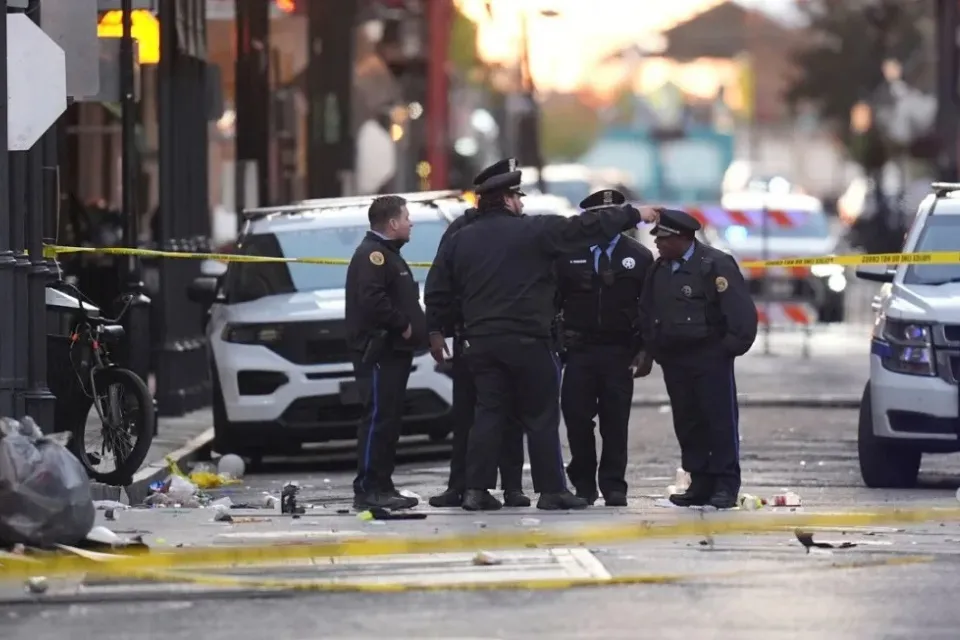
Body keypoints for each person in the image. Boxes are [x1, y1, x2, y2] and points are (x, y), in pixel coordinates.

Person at [426, 158, 658, 511]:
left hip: (481, 343)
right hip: (529, 341)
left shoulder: (461, 239)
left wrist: (436, 330)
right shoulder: (535, 230)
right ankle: (551, 490)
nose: (521, 203)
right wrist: (634, 214)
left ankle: (476, 490)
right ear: (507, 199)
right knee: (540, 416)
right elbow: (585, 226)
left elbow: (438, 288)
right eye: (518, 197)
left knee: (488, 414)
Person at [638, 208, 758, 509]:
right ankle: (700, 481)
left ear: (683, 237)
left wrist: (726, 350)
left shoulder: (714, 264)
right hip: (675, 359)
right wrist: (653, 349)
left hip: (709, 357)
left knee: (718, 421)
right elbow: (648, 310)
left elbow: (740, 312)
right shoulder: (659, 269)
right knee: (688, 422)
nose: (657, 243)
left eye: (663, 238)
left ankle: (725, 484)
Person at [425, 176, 528, 510]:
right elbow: (439, 283)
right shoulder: (461, 230)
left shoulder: (522, 229)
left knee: (510, 415)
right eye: (515, 196)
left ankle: (512, 487)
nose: (520, 203)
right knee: (467, 415)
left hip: (506, 334)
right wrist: (436, 330)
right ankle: (461, 486)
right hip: (469, 336)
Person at [555, 189, 654, 508]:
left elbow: (648, 308)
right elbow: (553, 300)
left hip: (619, 350)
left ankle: (614, 485)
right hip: (579, 350)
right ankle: (583, 483)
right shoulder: (569, 254)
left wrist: (646, 350)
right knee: (576, 419)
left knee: (615, 421)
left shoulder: (639, 256)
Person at [345, 195, 426, 511]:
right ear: (392, 223)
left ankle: (383, 485)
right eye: (406, 217)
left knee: (389, 420)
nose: (410, 223)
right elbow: (372, 299)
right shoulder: (374, 255)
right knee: (378, 418)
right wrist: (402, 324)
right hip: (381, 351)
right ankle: (368, 489)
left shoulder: (388, 254)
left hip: (394, 352)